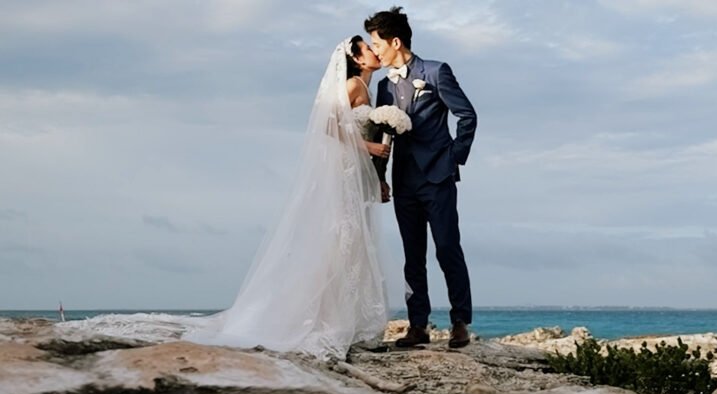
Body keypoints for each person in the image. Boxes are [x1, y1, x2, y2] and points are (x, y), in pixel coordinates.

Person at [58, 38, 391, 360]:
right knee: (339, 241)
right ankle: (331, 320)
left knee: (352, 242)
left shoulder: (366, 88)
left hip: (353, 174)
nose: (373, 52)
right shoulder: (352, 86)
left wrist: (377, 174)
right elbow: (330, 128)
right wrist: (372, 148)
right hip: (343, 172)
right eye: (367, 49)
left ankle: (352, 321)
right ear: (357, 59)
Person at [366, 7, 478, 349]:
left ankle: (460, 322)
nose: (375, 51)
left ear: (395, 41)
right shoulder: (384, 87)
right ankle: (418, 326)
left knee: (447, 248)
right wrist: (380, 178)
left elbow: (467, 116)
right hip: (405, 181)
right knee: (412, 255)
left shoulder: (436, 72)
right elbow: (383, 134)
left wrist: (453, 158)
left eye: (377, 44)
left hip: (438, 177)